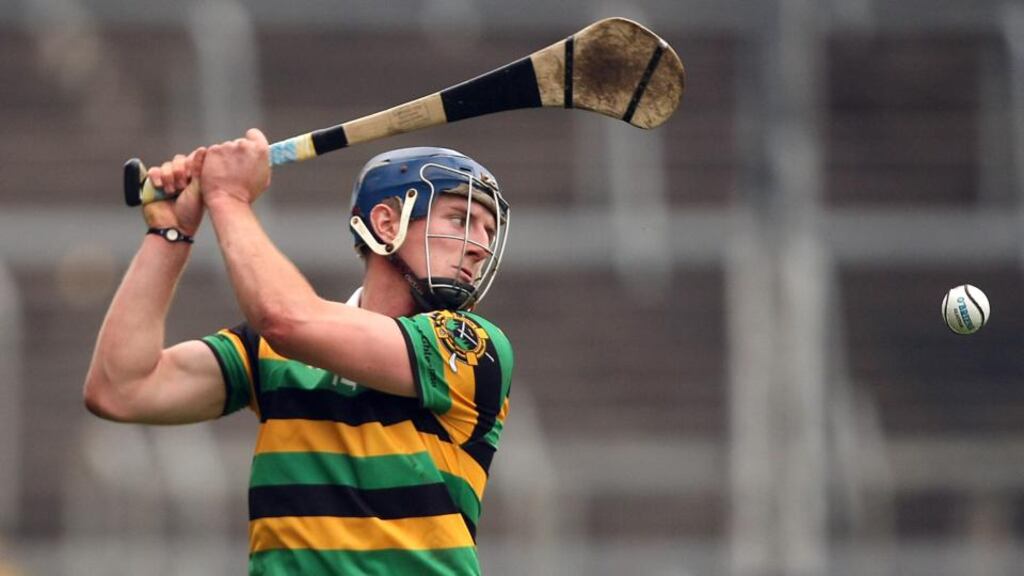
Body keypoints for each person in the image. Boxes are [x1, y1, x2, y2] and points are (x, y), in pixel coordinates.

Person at [84, 129, 514, 575]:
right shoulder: (271, 352)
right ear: (387, 223)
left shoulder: (470, 347)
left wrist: (228, 197)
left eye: (488, 228)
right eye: (460, 220)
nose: (480, 247)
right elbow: (121, 389)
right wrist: (170, 232)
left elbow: (286, 319)